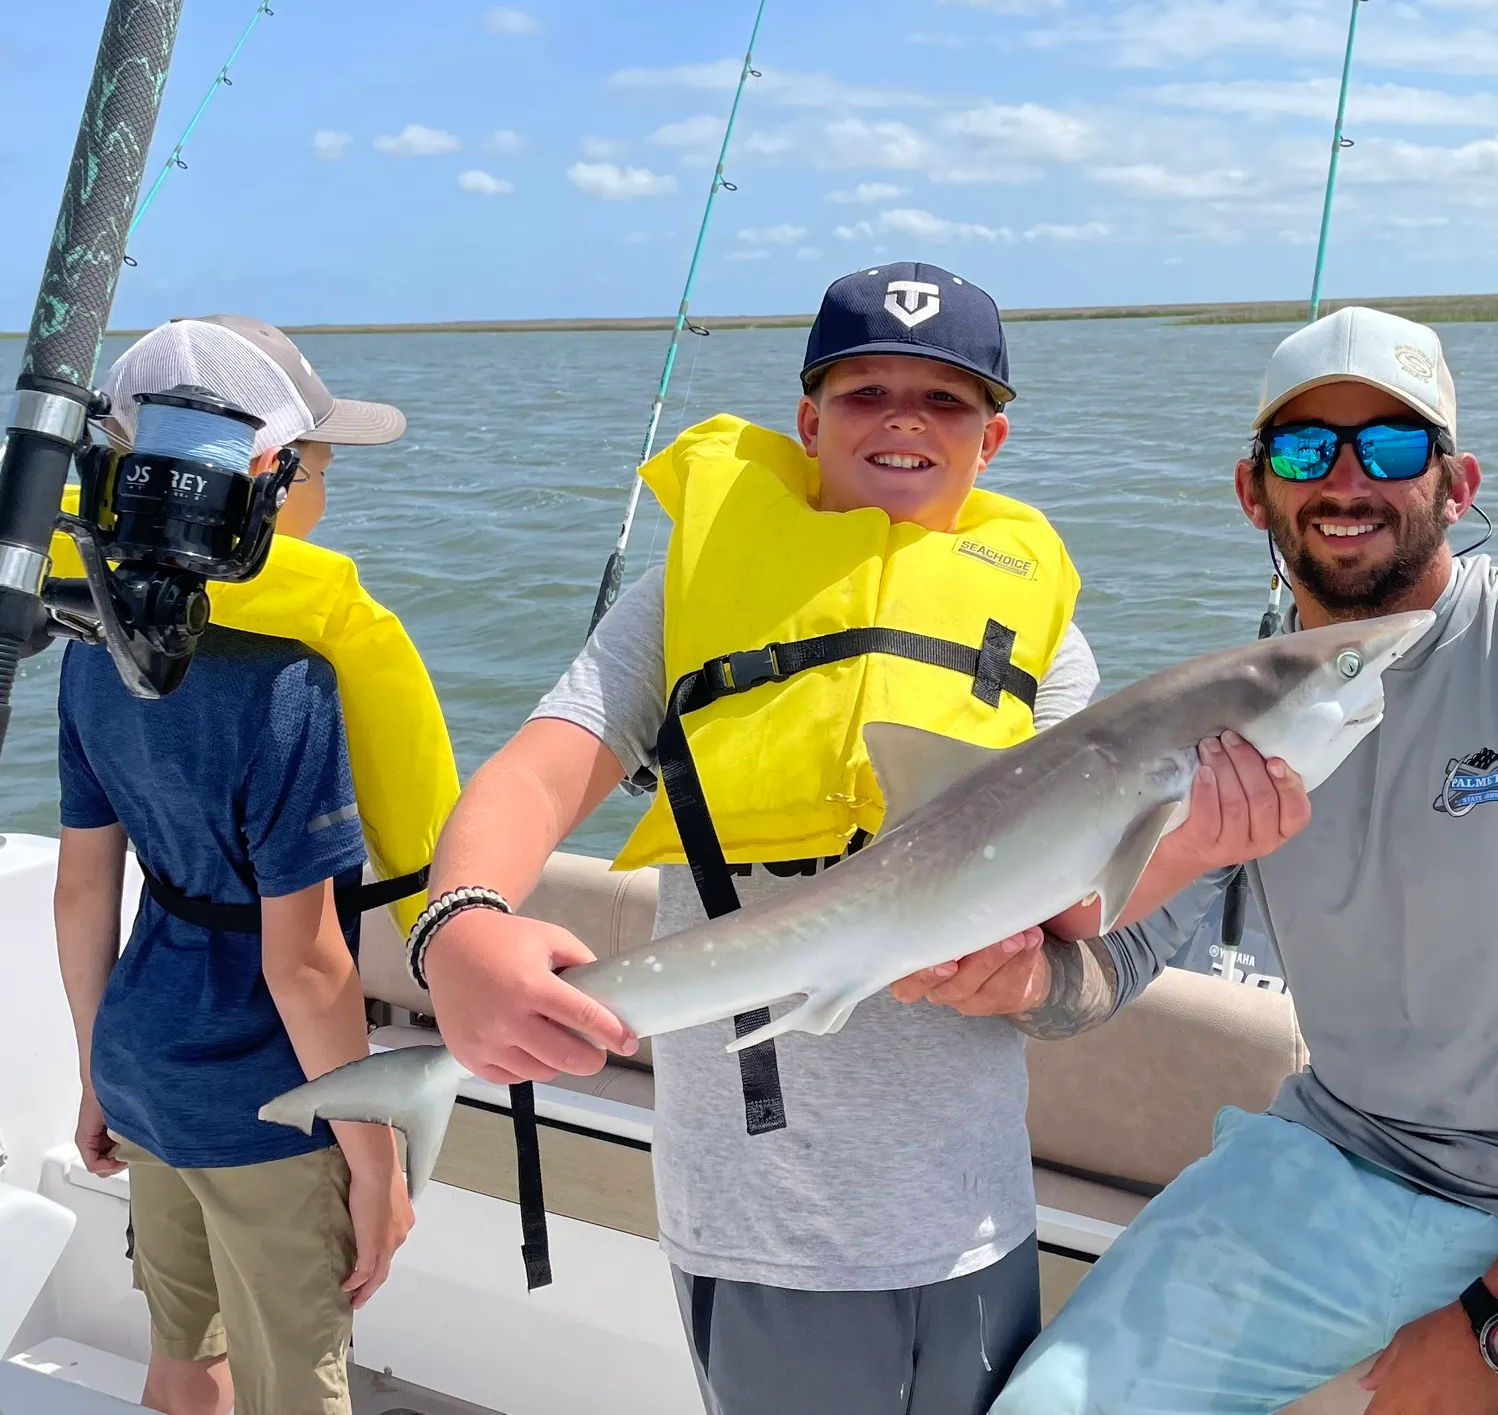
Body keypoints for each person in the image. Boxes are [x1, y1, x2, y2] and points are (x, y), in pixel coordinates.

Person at [406, 262, 1298, 1415]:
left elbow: (1078, 920)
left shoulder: (1044, 637)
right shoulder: (687, 594)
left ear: (994, 439)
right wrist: (457, 922)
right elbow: (535, 771)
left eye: (945, 400)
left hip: (972, 1205)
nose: (904, 421)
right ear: (807, 419)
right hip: (760, 1209)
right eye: (867, 391)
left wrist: (1196, 840)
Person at [988, 306, 1498, 1414]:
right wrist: (1024, 982)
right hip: (1349, 1156)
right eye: (1307, 448)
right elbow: (1116, 958)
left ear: (1456, 486)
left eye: (1394, 447)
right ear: (1251, 490)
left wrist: (1487, 1324)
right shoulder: (1225, 711)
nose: (1348, 479)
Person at [53, 315, 424, 1415]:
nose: (326, 485)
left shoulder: (92, 653)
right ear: (259, 480)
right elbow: (303, 966)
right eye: (315, 462)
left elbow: (83, 893)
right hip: (265, 1106)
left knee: (183, 1351)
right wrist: (373, 1161)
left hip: (140, 1072)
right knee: (296, 1387)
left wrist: (95, 1074)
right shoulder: (293, 684)